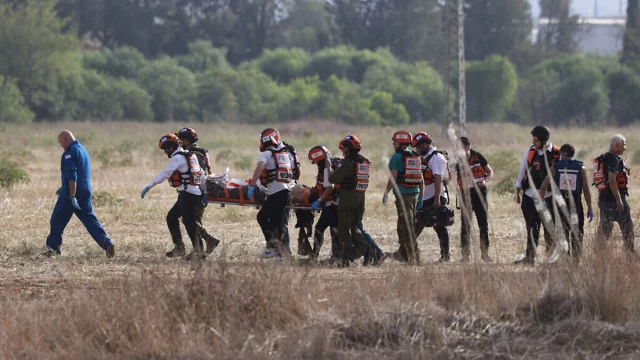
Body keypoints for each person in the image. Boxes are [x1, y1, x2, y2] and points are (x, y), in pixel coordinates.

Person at [43, 130, 115, 258]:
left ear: (65, 140)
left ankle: (53, 249)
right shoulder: (83, 150)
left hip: (73, 191)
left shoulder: (69, 153)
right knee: (89, 219)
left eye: (61, 144)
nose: (62, 146)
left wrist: (71, 194)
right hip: (86, 189)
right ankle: (107, 244)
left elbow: (72, 175)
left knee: (57, 219)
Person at [141, 134, 204, 260]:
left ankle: (198, 252)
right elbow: (201, 174)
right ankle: (183, 248)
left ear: (171, 147)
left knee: (189, 224)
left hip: (187, 195)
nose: (165, 152)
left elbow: (165, 173)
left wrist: (149, 186)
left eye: (165, 149)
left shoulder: (177, 158)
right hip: (194, 193)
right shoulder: (190, 155)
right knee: (174, 218)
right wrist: (204, 192)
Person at [514, 125, 560, 265]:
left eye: (536, 140)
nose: (533, 142)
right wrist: (517, 192)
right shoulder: (530, 151)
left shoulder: (557, 154)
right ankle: (529, 257)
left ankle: (550, 259)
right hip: (529, 197)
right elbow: (522, 171)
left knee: (549, 229)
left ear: (544, 140)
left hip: (549, 197)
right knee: (532, 228)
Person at [540, 144, 593, 262]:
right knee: (577, 234)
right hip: (576, 205)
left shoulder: (555, 167)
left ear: (563, 153)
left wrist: (542, 203)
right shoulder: (581, 168)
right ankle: (576, 262)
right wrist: (589, 207)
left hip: (560, 205)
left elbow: (543, 186)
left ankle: (566, 260)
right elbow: (586, 189)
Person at [248, 128, 295, 260]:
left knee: (272, 221)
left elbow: (260, 167)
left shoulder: (266, 154)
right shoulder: (283, 154)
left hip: (276, 193)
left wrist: (252, 185)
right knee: (267, 218)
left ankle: (279, 253)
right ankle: (273, 248)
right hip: (285, 191)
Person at [328, 135, 373, 265]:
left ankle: (348, 256)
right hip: (360, 198)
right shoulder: (363, 161)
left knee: (343, 228)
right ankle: (368, 252)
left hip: (348, 197)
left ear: (349, 148)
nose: (343, 151)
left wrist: (331, 167)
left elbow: (334, 179)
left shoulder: (349, 161)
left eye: (344, 148)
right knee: (355, 227)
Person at [175, 127, 221, 255]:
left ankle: (208, 240)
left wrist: (202, 193)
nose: (179, 142)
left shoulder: (192, 153)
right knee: (195, 220)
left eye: (181, 139)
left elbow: (199, 174)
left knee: (188, 220)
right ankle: (198, 249)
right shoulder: (200, 152)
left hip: (197, 192)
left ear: (186, 140)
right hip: (200, 191)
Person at [383, 131, 424, 265]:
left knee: (406, 227)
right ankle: (404, 254)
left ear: (400, 143)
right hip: (414, 194)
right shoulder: (415, 157)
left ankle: (414, 257)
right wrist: (421, 197)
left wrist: (386, 192)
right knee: (403, 226)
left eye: (394, 142)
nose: (393, 144)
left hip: (402, 196)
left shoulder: (396, 157)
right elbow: (421, 179)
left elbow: (393, 178)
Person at [412, 131, 452, 263]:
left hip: (436, 197)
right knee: (418, 225)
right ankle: (405, 252)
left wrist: (436, 200)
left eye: (418, 146)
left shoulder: (436, 158)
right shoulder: (424, 157)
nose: (417, 149)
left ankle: (445, 256)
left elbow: (438, 179)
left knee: (439, 225)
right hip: (426, 197)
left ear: (425, 144)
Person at [593, 134, 635, 256]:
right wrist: (619, 200)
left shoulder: (605, 158)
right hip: (614, 200)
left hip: (604, 200)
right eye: (623, 145)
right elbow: (612, 180)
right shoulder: (613, 160)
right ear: (617, 145)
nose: (625, 148)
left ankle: (599, 255)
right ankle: (630, 255)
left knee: (605, 229)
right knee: (628, 229)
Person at [456, 136, 493, 263]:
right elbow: (451, 176)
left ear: (467, 147)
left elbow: (490, 172)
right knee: (465, 226)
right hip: (465, 195)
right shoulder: (457, 161)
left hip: (479, 193)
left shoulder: (478, 156)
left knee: (483, 224)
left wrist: (485, 180)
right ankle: (465, 256)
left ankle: (485, 253)